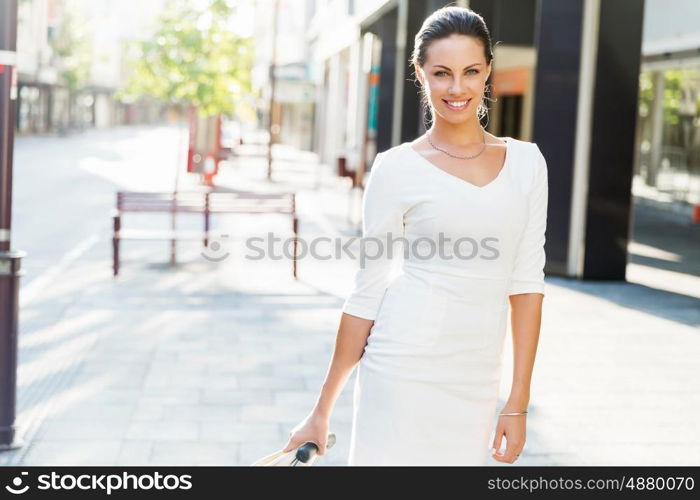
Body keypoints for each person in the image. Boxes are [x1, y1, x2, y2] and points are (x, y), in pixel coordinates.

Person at [282, 5, 547, 466]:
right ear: (420, 73)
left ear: (488, 72)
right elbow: (367, 293)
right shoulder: (395, 167)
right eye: (442, 73)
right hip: (399, 370)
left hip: (477, 380)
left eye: (471, 71)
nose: (457, 87)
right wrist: (321, 411)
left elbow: (527, 284)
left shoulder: (527, 164)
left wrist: (517, 401)